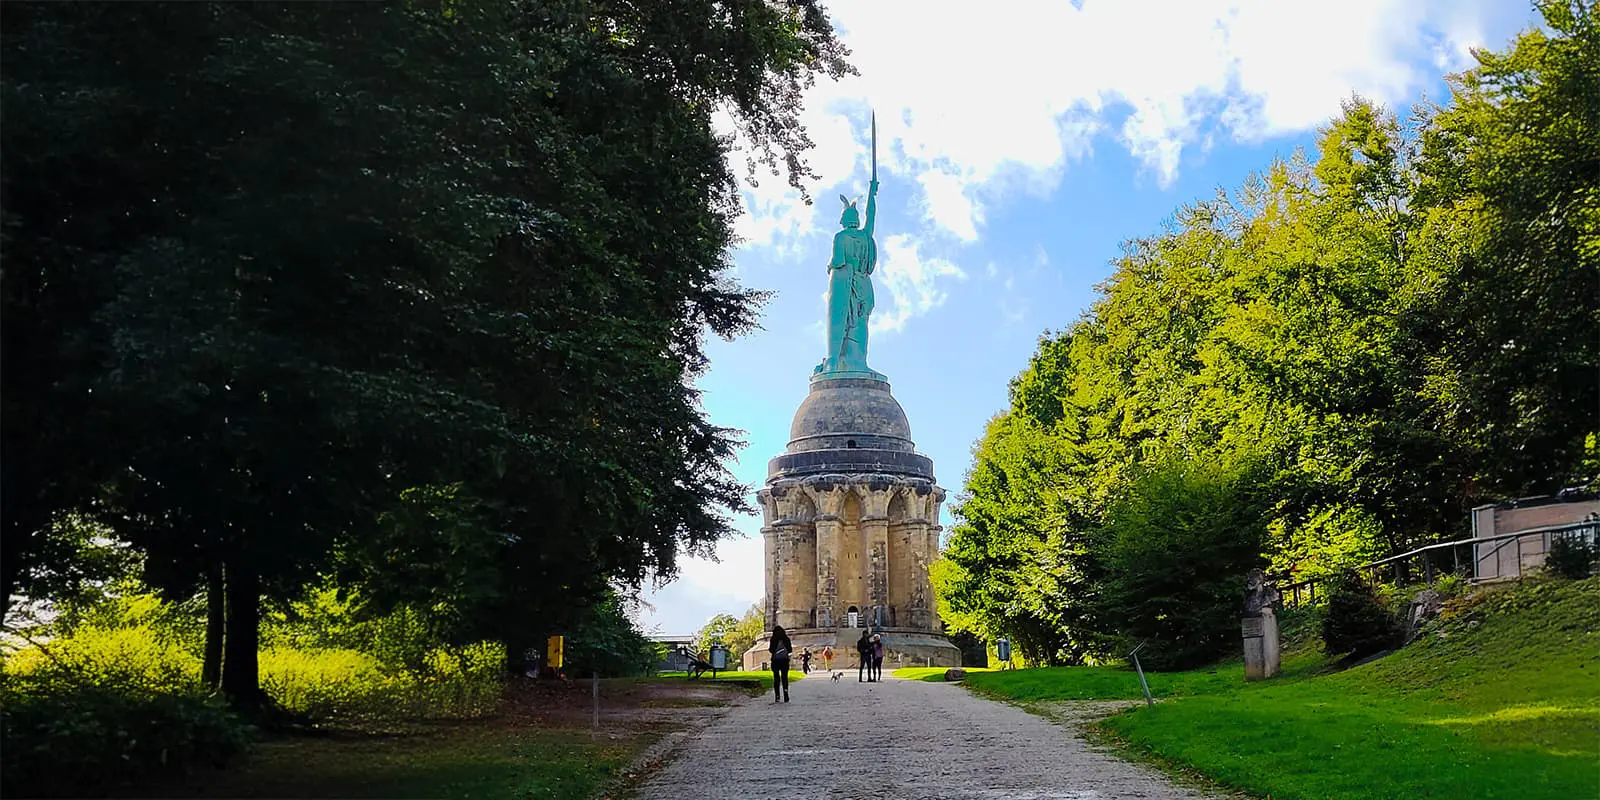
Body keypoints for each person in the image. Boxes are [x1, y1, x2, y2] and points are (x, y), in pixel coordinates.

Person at [769, 626, 793, 703]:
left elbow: (771, 650)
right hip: (784, 661)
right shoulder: (786, 639)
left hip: (775, 661)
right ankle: (786, 694)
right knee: (784, 678)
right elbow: (790, 650)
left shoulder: (773, 639)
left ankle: (777, 696)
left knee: (776, 679)